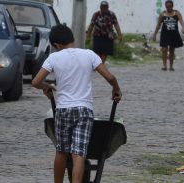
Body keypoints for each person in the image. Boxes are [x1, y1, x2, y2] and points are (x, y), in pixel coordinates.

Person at [32, 24, 122, 183]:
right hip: (84, 110)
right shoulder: (89, 54)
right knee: (79, 153)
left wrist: (47, 87)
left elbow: (36, 81)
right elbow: (110, 78)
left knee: (61, 151)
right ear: (71, 38)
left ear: (56, 45)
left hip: (63, 110)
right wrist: (116, 89)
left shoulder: (54, 57)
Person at [153, 0, 184, 71]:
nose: (169, 8)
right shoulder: (162, 14)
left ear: (172, 6)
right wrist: (154, 34)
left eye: (170, 6)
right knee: (164, 49)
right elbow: (158, 25)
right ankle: (164, 66)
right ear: (165, 7)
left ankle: (171, 66)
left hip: (174, 34)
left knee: (172, 50)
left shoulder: (176, 13)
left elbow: (181, 21)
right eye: (167, 6)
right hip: (165, 34)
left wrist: (183, 28)